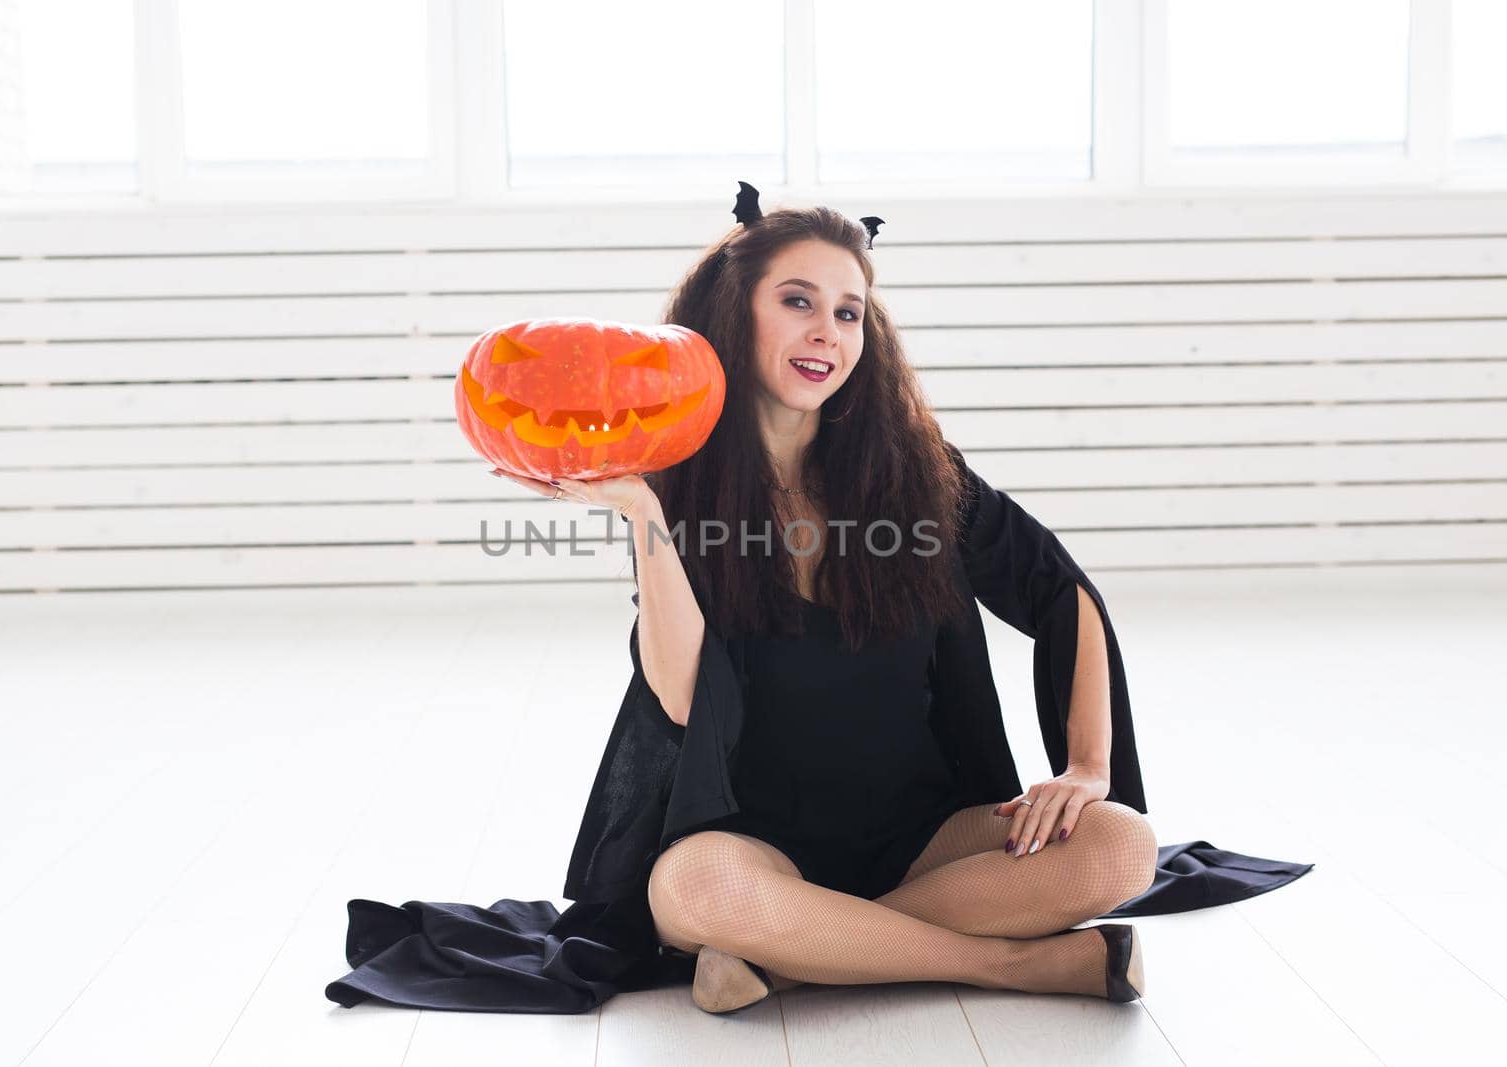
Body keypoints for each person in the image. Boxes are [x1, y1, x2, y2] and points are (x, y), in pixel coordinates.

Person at [324, 182, 1313, 1016]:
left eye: (847, 311)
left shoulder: (920, 475)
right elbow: (678, 695)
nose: (825, 332)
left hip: (920, 835)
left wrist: (1088, 767)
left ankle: (794, 953)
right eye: (797, 301)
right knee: (699, 890)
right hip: (740, 837)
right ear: (733, 309)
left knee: (1117, 848)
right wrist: (640, 515)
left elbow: (1061, 591)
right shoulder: (673, 480)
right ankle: (1013, 961)